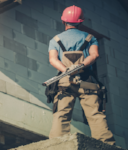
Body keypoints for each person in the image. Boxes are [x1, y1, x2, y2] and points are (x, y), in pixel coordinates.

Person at [48, 5, 116, 145]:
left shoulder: (55, 40)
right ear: (80, 22)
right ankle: (107, 144)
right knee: (95, 115)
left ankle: (57, 145)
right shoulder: (90, 38)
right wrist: (80, 67)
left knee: (61, 114)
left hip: (65, 82)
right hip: (87, 81)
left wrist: (66, 70)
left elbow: (53, 59)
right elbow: (95, 55)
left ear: (63, 21)